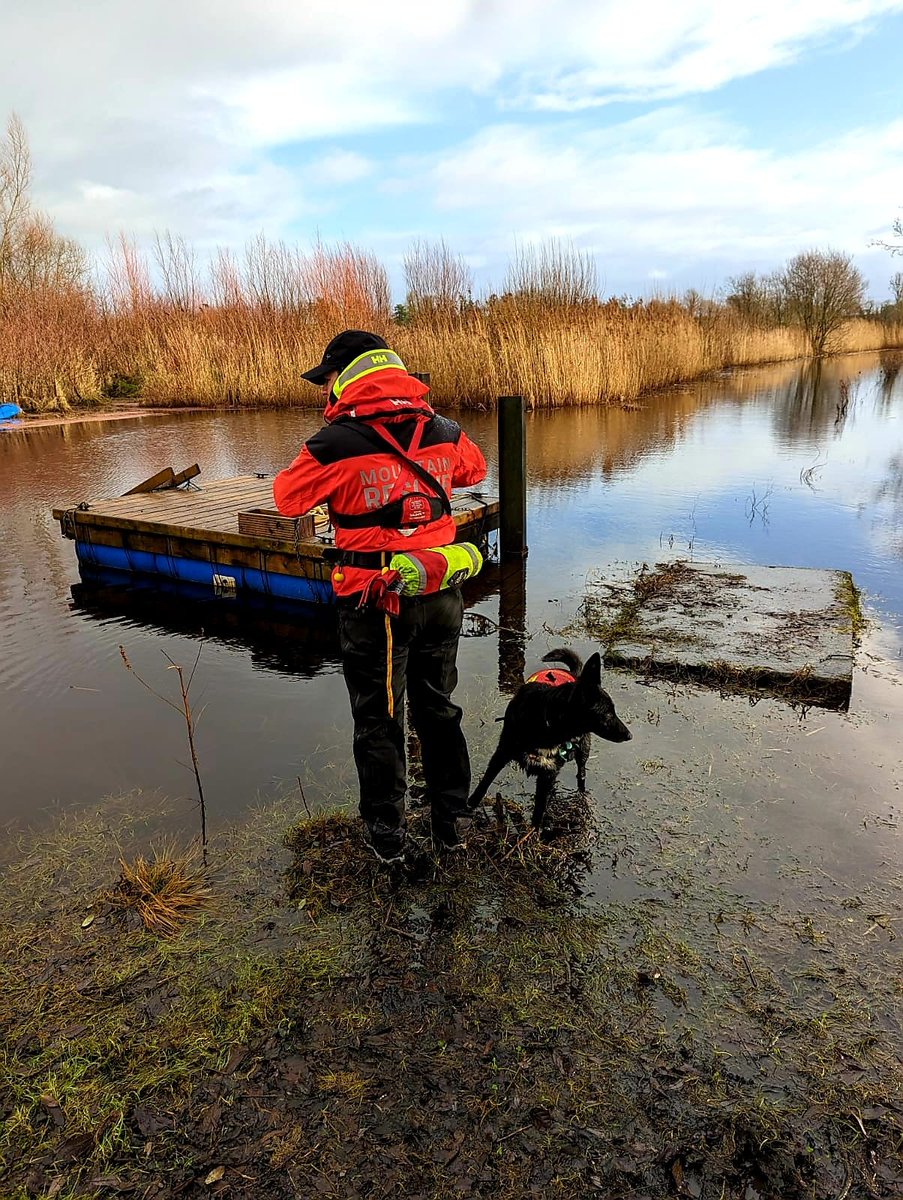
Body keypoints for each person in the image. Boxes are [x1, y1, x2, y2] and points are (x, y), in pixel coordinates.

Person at [274, 330, 487, 863]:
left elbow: (287, 499)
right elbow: (474, 469)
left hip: (375, 602)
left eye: (326, 381)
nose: (325, 391)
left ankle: (388, 836)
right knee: (438, 708)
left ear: (344, 380)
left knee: (380, 719)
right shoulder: (442, 428)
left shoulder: (333, 443)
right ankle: (451, 822)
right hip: (439, 589)